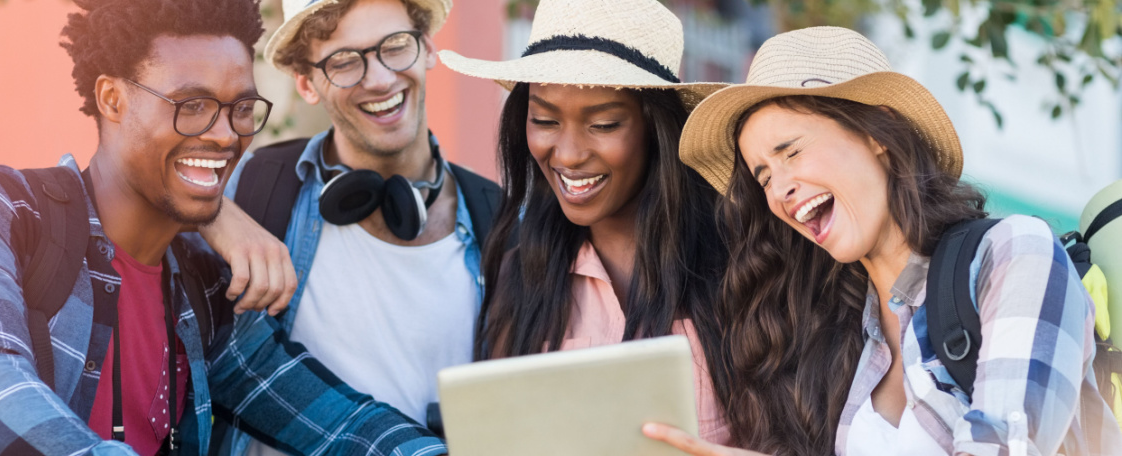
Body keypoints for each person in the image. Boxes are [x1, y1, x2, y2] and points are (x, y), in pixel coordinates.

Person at [0, 0, 445, 454]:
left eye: (242, 108)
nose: (226, 136)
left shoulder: (202, 285)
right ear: (112, 98)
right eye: (192, 105)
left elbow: (333, 422)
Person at [651, 26, 1122, 456]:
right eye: (763, 177)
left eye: (791, 151)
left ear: (877, 132)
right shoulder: (838, 334)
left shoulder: (1014, 253)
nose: (779, 190)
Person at [197, 0, 501, 453]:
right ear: (307, 83)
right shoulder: (257, 186)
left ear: (429, 49)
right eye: (343, 61)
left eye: (396, 47)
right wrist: (212, 215)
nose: (379, 78)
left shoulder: (500, 219)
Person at [440, 0, 734, 445]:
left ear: (657, 128)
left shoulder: (741, 267)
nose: (569, 154)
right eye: (544, 120)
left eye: (603, 123)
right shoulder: (523, 276)